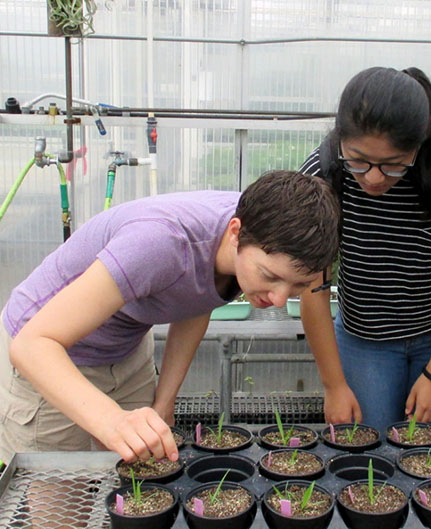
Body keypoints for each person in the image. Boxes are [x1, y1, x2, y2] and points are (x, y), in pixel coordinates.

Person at [0, 170, 340, 464]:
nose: (279, 300)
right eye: (269, 276)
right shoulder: (159, 243)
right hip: (50, 355)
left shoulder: (265, 234)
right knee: (63, 522)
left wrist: (165, 399)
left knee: (133, 489)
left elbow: (194, 302)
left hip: (126, 350)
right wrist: (111, 420)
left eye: (297, 285)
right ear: (235, 233)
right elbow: (33, 344)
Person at [299, 66, 431, 445]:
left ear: (420, 143)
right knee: (367, 461)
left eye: (393, 163)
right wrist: (334, 384)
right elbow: (314, 288)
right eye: (359, 159)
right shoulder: (322, 175)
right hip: (364, 340)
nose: (374, 178)